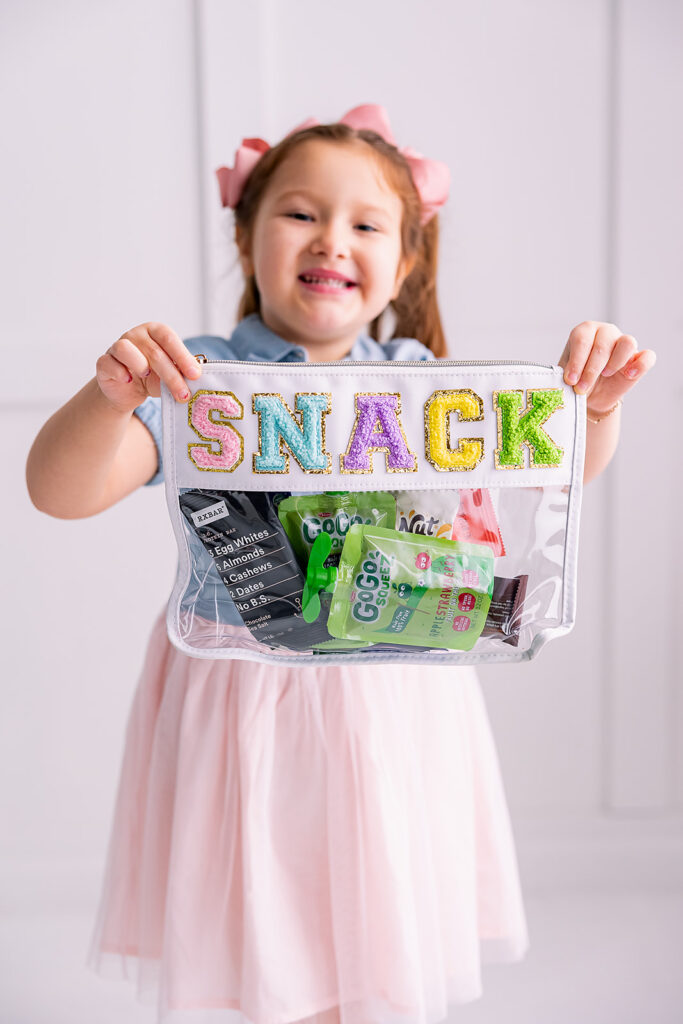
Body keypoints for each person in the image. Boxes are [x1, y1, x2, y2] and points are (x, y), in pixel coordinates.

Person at [25, 104, 655, 1024]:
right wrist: (109, 399)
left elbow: (555, 470)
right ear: (246, 237)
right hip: (236, 694)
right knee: (250, 928)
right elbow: (59, 489)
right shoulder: (196, 379)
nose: (332, 238)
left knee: (378, 925)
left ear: (403, 264)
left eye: (366, 223)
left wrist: (592, 411)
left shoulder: (422, 377)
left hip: (392, 694)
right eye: (299, 212)